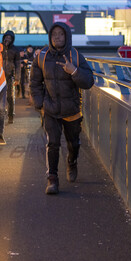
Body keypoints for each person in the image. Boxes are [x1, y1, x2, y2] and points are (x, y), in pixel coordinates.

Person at [31, 22, 94, 195]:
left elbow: (89, 81)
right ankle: (52, 179)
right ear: (50, 37)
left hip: (72, 109)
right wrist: (39, 103)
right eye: (54, 34)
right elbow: (35, 83)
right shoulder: (42, 56)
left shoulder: (75, 56)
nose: (57, 37)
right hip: (51, 109)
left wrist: (74, 71)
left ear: (66, 36)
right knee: (53, 143)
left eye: (61, 34)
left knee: (73, 143)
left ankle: (72, 162)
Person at [1, 30, 21, 123]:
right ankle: (0, 116)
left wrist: (17, 78)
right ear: (4, 37)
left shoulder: (15, 50)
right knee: (0, 97)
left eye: (10, 38)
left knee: (10, 97)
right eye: (6, 37)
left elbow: (17, 65)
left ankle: (10, 115)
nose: (8, 39)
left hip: (10, 76)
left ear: (12, 39)